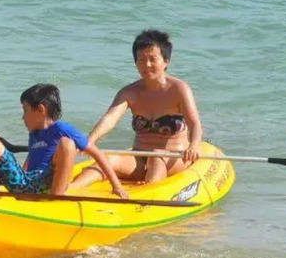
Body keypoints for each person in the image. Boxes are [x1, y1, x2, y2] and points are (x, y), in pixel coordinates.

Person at [71, 29, 203, 189]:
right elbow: (110, 119)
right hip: (140, 157)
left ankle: (146, 197)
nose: (146, 65)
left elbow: (194, 123)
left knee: (157, 156)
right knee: (108, 159)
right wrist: (90, 140)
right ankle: (68, 190)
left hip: (175, 158)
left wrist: (194, 145)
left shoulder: (179, 89)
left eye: (152, 59)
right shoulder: (130, 92)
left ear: (166, 61)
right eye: (141, 60)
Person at [0, 83, 129, 198]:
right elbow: (32, 157)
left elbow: (97, 153)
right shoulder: (34, 134)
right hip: (26, 183)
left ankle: (57, 197)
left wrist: (117, 186)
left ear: (41, 110)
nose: (23, 117)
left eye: (25, 111)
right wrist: (21, 176)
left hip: (47, 185)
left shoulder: (61, 128)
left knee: (67, 143)